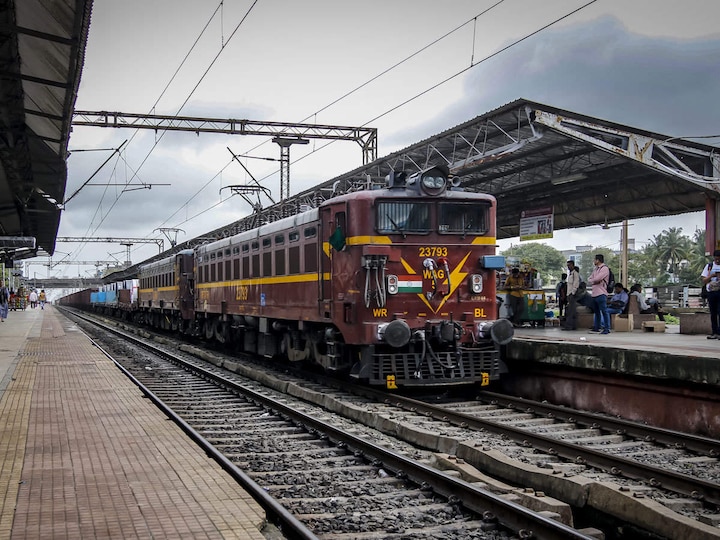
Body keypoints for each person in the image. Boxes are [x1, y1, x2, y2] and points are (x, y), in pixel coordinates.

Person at [588, 254, 611, 334]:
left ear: (598, 260)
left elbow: (598, 278)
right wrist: (594, 281)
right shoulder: (596, 269)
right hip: (594, 293)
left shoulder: (604, 269)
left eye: (594, 260)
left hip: (601, 293)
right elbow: (590, 278)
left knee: (604, 311)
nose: (593, 261)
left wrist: (594, 280)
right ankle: (596, 327)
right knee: (596, 311)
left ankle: (607, 328)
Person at [701, 249, 720, 339]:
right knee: (713, 313)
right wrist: (712, 276)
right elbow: (704, 280)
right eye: (716, 259)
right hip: (711, 292)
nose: (718, 261)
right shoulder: (709, 266)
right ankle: (714, 332)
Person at [561, 261, 581, 330]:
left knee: (570, 311)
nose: (568, 267)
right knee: (571, 310)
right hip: (569, 294)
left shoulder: (575, 274)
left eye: (569, 265)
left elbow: (576, 284)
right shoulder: (570, 274)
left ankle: (569, 326)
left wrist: (572, 293)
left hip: (572, 294)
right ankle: (573, 325)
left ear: (572, 265)